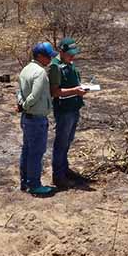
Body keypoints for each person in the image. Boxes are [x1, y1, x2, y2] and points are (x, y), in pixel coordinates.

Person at [17, 41, 59, 196]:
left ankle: (25, 182)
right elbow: (34, 96)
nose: (50, 60)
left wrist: (21, 105)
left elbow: (19, 91)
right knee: (36, 152)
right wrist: (26, 105)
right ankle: (34, 185)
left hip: (27, 118)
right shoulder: (40, 72)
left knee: (27, 151)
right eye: (48, 57)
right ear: (40, 56)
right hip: (36, 118)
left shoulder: (25, 69)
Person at [50, 37, 88, 188]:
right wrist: (75, 90)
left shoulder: (69, 63)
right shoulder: (55, 67)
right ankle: (58, 176)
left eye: (74, 53)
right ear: (61, 51)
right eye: (70, 53)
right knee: (61, 143)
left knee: (68, 141)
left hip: (74, 107)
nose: (73, 56)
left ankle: (65, 169)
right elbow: (55, 92)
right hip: (64, 110)